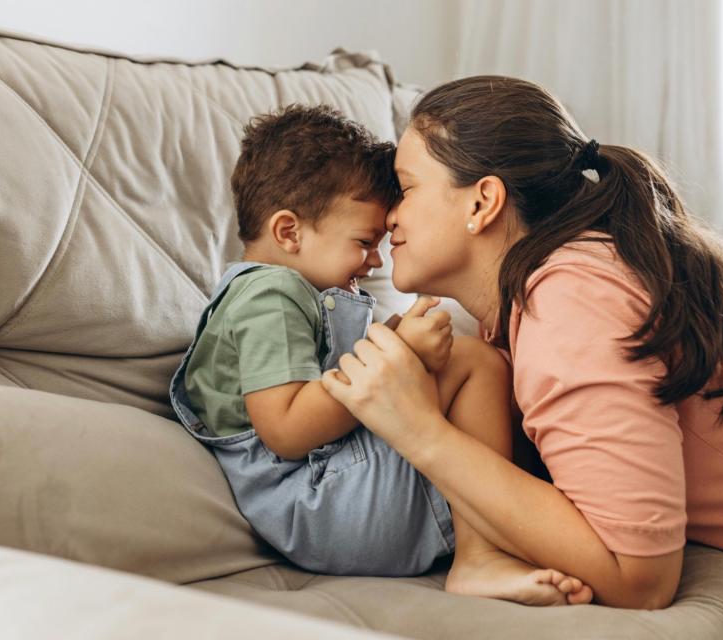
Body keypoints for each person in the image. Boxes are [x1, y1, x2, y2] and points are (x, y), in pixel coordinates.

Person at [321, 76, 723, 635]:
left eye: (404, 188)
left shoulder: (567, 304)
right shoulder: (573, 273)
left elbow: (639, 578)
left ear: (483, 202)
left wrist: (419, 431)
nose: (389, 215)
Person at [168, 104, 591, 606]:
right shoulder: (269, 297)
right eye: (364, 241)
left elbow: (335, 380)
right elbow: (286, 429)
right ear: (289, 232)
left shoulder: (293, 293)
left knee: (489, 400)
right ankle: (480, 557)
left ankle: (533, 535)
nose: (375, 259)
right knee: (473, 363)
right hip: (319, 501)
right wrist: (402, 352)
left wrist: (395, 340)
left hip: (335, 494)